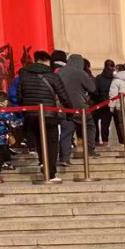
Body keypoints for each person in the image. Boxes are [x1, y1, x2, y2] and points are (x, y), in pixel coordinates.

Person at [16, 50, 72, 184]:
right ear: (48, 61)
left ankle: (43, 163)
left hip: (31, 114)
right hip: (49, 114)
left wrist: (26, 112)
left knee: (40, 141)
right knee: (51, 143)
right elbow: (63, 95)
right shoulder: (52, 76)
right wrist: (70, 111)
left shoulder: (24, 76)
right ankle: (50, 173)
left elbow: (19, 97)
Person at [57, 53, 97, 162]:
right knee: (90, 126)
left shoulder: (60, 72)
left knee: (66, 132)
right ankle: (90, 150)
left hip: (63, 107)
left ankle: (64, 158)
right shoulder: (80, 73)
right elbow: (92, 88)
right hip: (79, 107)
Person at [94, 58, 115, 145]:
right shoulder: (114, 78)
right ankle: (105, 141)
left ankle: (96, 140)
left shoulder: (98, 77)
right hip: (110, 102)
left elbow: (95, 90)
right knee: (105, 123)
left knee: (96, 122)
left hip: (99, 102)